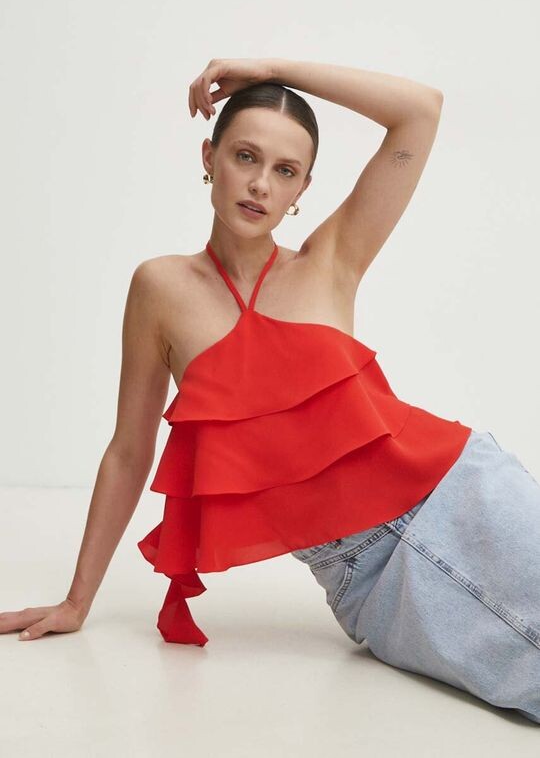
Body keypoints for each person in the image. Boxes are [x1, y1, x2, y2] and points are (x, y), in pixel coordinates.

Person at [2, 58, 539, 724]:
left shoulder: (332, 259)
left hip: (463, 495)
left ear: (302, 189)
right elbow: (129, 451)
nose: (260, 183)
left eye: (285, 170)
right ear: (210, 157)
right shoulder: (161, 290)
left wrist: (270, 68)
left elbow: (419, 110)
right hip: (367, 583)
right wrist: (77, 600)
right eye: (246, 156)